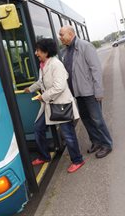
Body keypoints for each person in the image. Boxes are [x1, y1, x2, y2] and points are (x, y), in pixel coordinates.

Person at [24, 38, 85, 173]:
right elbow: (41, 82)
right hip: (49, 106)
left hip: (60, 105)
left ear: (46, 52)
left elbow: (59, 87)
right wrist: (30, 88)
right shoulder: (43, 64)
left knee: (68, 134)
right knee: (38, 128)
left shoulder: (56, 64)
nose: (36, 53)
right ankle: (44, 156)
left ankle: (78, 160)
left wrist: (43, 96)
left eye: (38, 50)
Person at [59, 25, 112, 158]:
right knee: (86, 119)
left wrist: (98, 91)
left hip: (90, 92)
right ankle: (96, 142)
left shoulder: (85, 46)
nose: (60, 38)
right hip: (77, 93)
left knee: (97, 120)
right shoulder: (65, 51)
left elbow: (96, 69)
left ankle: (106, 144)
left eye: (62, 35)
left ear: (71, 34)